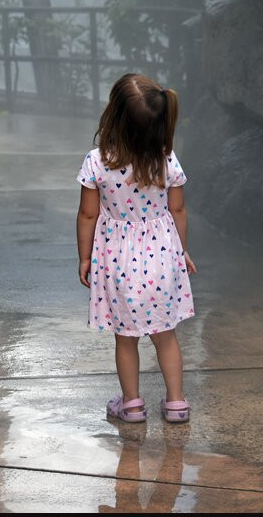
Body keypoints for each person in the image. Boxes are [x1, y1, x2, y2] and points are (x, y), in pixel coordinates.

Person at [76, 73, 197, 424]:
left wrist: (85, 257)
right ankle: (176, 403)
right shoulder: (166, 159)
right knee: (165, 335)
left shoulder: (98, 162)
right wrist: (182, 251)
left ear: (113, 116)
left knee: (125, 339)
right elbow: (177, 210)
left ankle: (131, 404)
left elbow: (88, 214)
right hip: (162, 256)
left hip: (116, 260)